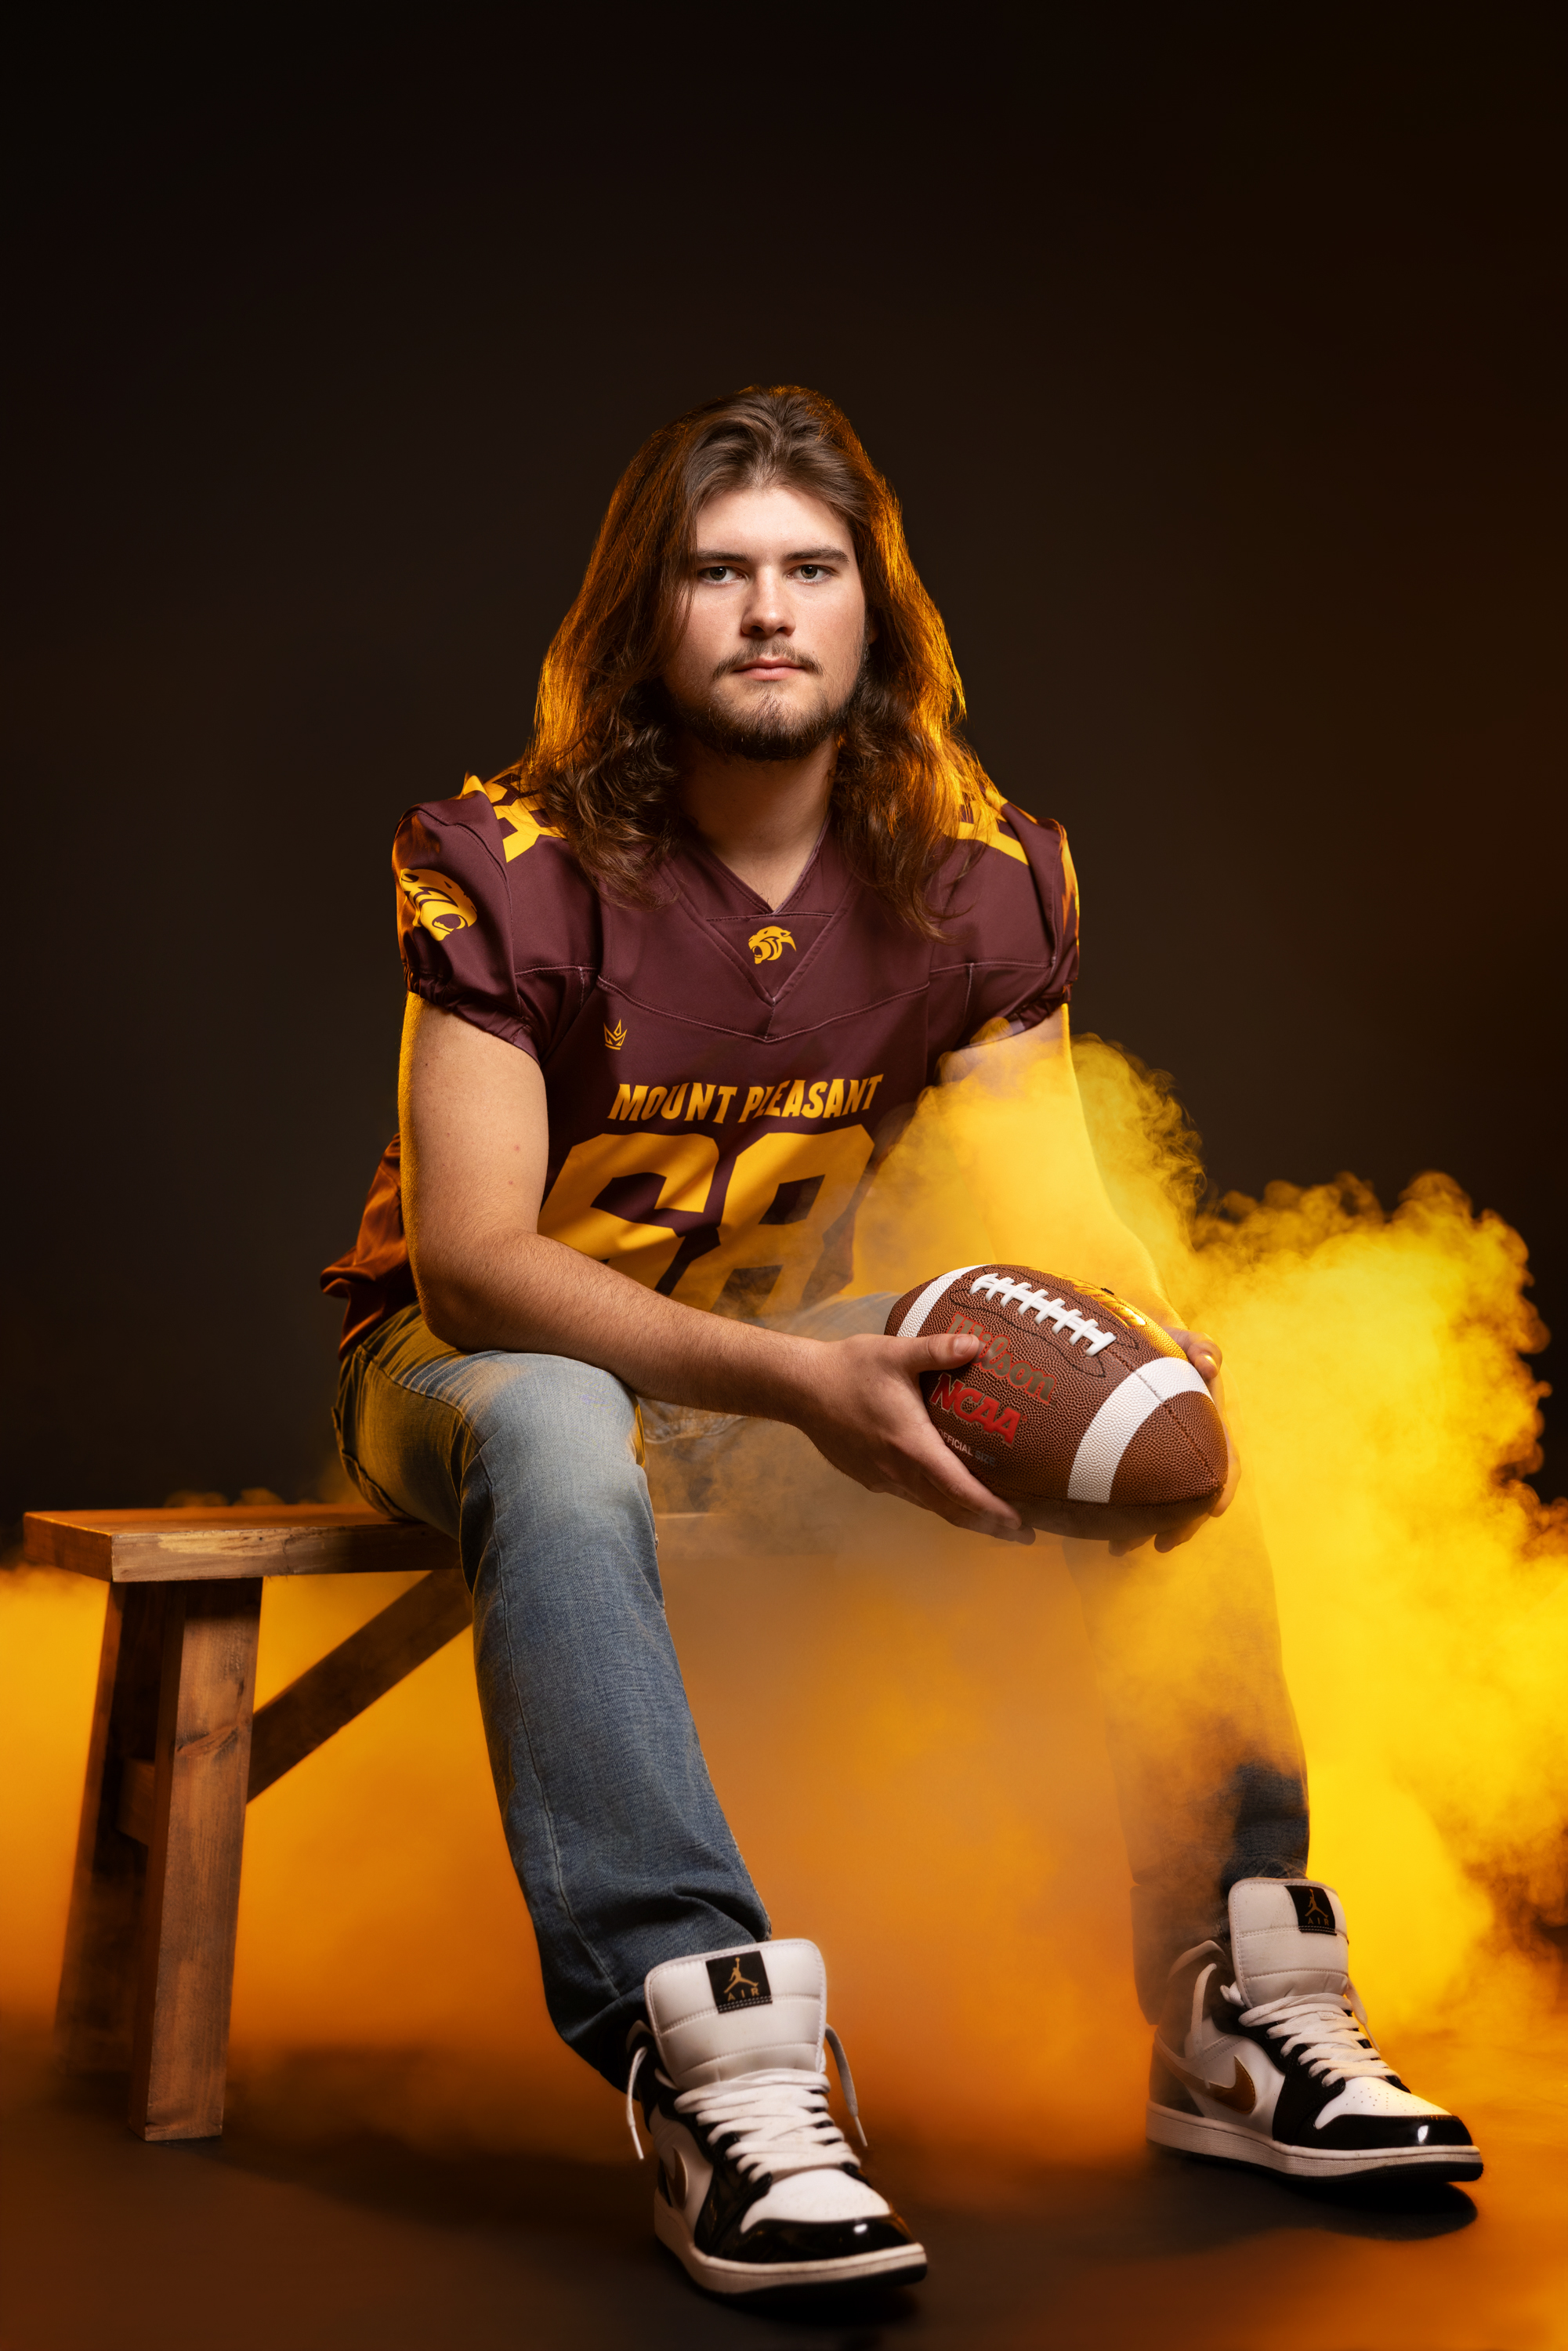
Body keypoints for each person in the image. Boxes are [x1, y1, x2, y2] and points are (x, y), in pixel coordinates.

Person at [322, 386, 1480, 2301]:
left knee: (1158, 1408)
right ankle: (716, 2058)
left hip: (770, 1375)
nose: (767, 610)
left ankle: (1235, 1994)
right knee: (546, 1421)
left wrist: (1148, 1325)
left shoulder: (975, 868)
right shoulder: (504, 856)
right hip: (471, 1379)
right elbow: (472, 1265)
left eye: (808, 569)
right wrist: (789, 1379)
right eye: (717, 573)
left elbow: (1049, 1200)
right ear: (646, 617)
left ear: (873, 618)